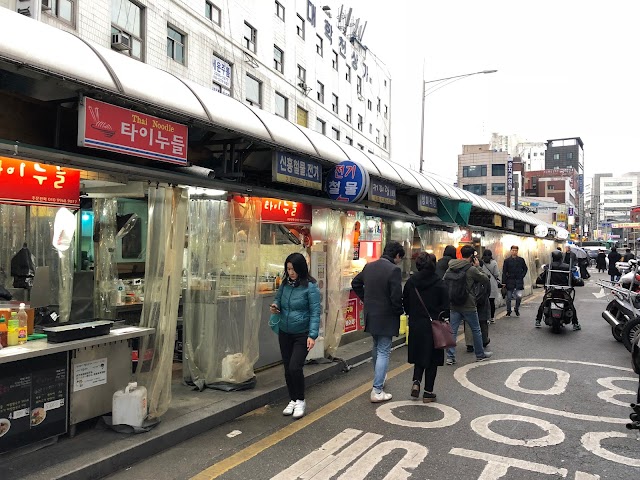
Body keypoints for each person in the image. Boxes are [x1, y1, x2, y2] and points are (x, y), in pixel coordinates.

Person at [352, 241, 405, 403]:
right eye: (400, 258)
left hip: (371, 314)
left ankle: (379, 378)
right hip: (386, 316)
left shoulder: (369, 266)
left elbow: (355, 283)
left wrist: (365, 299)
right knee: (383, 350)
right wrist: (399, 311)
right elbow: (396, 297)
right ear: (396, 256)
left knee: (376, 346)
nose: (399, 261)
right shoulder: (394, 270)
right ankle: (377, 389)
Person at [270, 253, 321, 419]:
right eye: (288, 269)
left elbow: (315, 312)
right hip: (284, 331)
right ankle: (292, 399)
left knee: (295, 367)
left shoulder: (310, 287)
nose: (290, 272)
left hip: (302, 333)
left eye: (293, 269)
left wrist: (312, 335)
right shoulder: (285, 284)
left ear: (301, 268)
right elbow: (278, 299)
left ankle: (300, 400)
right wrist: (275, 306)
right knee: (287, 368)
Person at [403, 253, 448, 403]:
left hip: (416, 324)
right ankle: (428, 392)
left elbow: (406, 303)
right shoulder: (439, 282)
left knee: (419, 356)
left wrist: (412, 313)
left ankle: (416, 382)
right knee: (432, 359)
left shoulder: (411, 282)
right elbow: (446, 307)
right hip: (434, 325)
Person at [443, 245, 493, 364]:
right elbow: (485, 279)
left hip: (454, 303)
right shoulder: (471, 269)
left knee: (453, 331)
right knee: (476, 329)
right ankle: (480, 354)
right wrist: (478, 267)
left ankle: (450, 357)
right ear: (472, 256)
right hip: (468, 304)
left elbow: (444, 281)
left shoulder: (451, 267)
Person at [535, 250, 581, 330]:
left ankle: (538, 320)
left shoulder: (549, 266)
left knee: (543, 303)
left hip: (551, 290)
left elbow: (542, 278)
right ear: (561, 257)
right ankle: (575, 323)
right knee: (570, 305)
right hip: (564, 290)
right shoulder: (567, 267)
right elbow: (573, 279)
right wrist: (577, 282)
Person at [464, 254, 491, 352]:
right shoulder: (481, 274)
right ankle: (484, 341)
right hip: (482, 301)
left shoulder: (466, 272)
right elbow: (487, 283)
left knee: (468, 322)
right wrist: (478, 267)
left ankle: (469, 344)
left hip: (470, 300)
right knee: (482, 321)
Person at [501, 245, 528, 316]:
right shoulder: (507, 261)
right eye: (513, 250)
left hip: (518, 281)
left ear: (517, 251)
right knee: (508, 297)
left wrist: (522, 276)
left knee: (519, 297)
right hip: (509, 281)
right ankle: (508, 310)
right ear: (510, 251)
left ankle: (516, 308)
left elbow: (525, 269)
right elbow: (504, 271)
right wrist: (503, 282)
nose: (514, 252)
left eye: (515, 250)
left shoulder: (521, 260)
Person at [481, 249, 501, 323]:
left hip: (483, 284)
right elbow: (496, 274)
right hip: (492, 284)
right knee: (491, 302)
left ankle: (486, 318)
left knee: (484, 303)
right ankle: (492, 317)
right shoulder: (494, 263)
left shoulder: (480, 263)